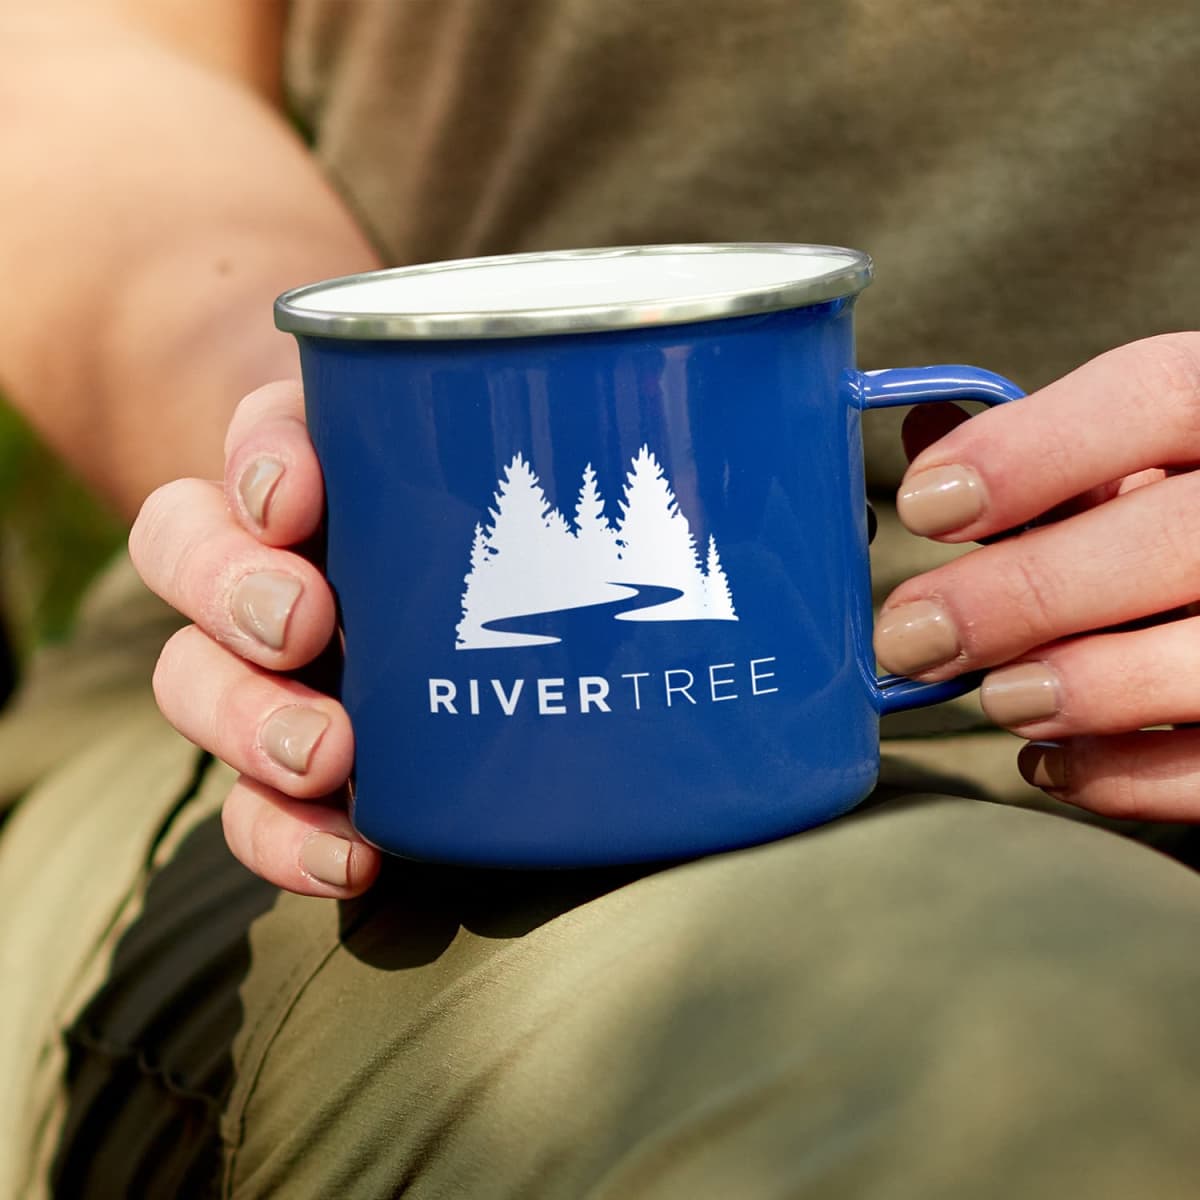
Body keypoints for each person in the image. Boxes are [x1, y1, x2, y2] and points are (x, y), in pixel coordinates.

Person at [3, 0, 1200, 1195]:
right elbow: (85, 54)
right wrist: (316, 462)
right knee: (1011, 1056)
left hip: (1025, 737)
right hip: (381, 756)